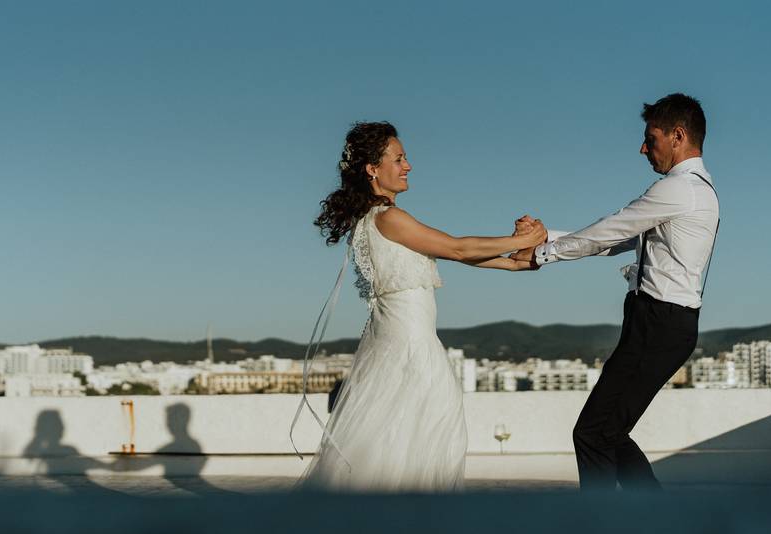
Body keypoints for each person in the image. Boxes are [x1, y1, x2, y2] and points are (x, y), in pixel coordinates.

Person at [297, 121, 545, 491]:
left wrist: (522, 257)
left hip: (393, 346)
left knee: (395, 442)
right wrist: (524, 237)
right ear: (372, 169)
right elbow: (458, 247)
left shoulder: (370, 221)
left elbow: (460, 255)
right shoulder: (389, 218)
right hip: (411, 349)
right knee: (421, 441)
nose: (408, 166)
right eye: (398, 159)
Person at [513, 93, 720, 490]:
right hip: (658, 324)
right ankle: (654, 523)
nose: (643, 148)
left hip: (658, 324)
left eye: (651, 138)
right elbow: (616, 240)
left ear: (678, 135)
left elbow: (609, 230)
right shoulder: (691, 190)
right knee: (607, 433)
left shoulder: (680, 189)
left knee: (593, 433)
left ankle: (607, 531)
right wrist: (544, 237)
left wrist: (542, 253)